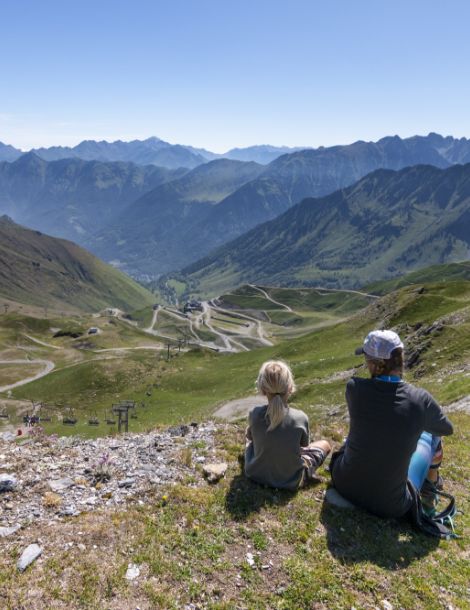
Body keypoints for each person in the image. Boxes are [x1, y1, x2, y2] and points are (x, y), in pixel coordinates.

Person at [330, 329, 454, 522]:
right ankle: (429, 496)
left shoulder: (354, 388)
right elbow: (446, 428)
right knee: (432, 437)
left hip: (344, 483)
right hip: (390, 505)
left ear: (373, 363)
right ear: (400, 358)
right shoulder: (419, 399)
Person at [244, 360, 331, 490]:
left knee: (249, 440)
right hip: (290, 481)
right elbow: (304, 446)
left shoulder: (254, 414)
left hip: (254, 474)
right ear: (290, 388)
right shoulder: (300, 418)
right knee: (325, 444)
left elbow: (250, 437)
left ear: (263, 389)